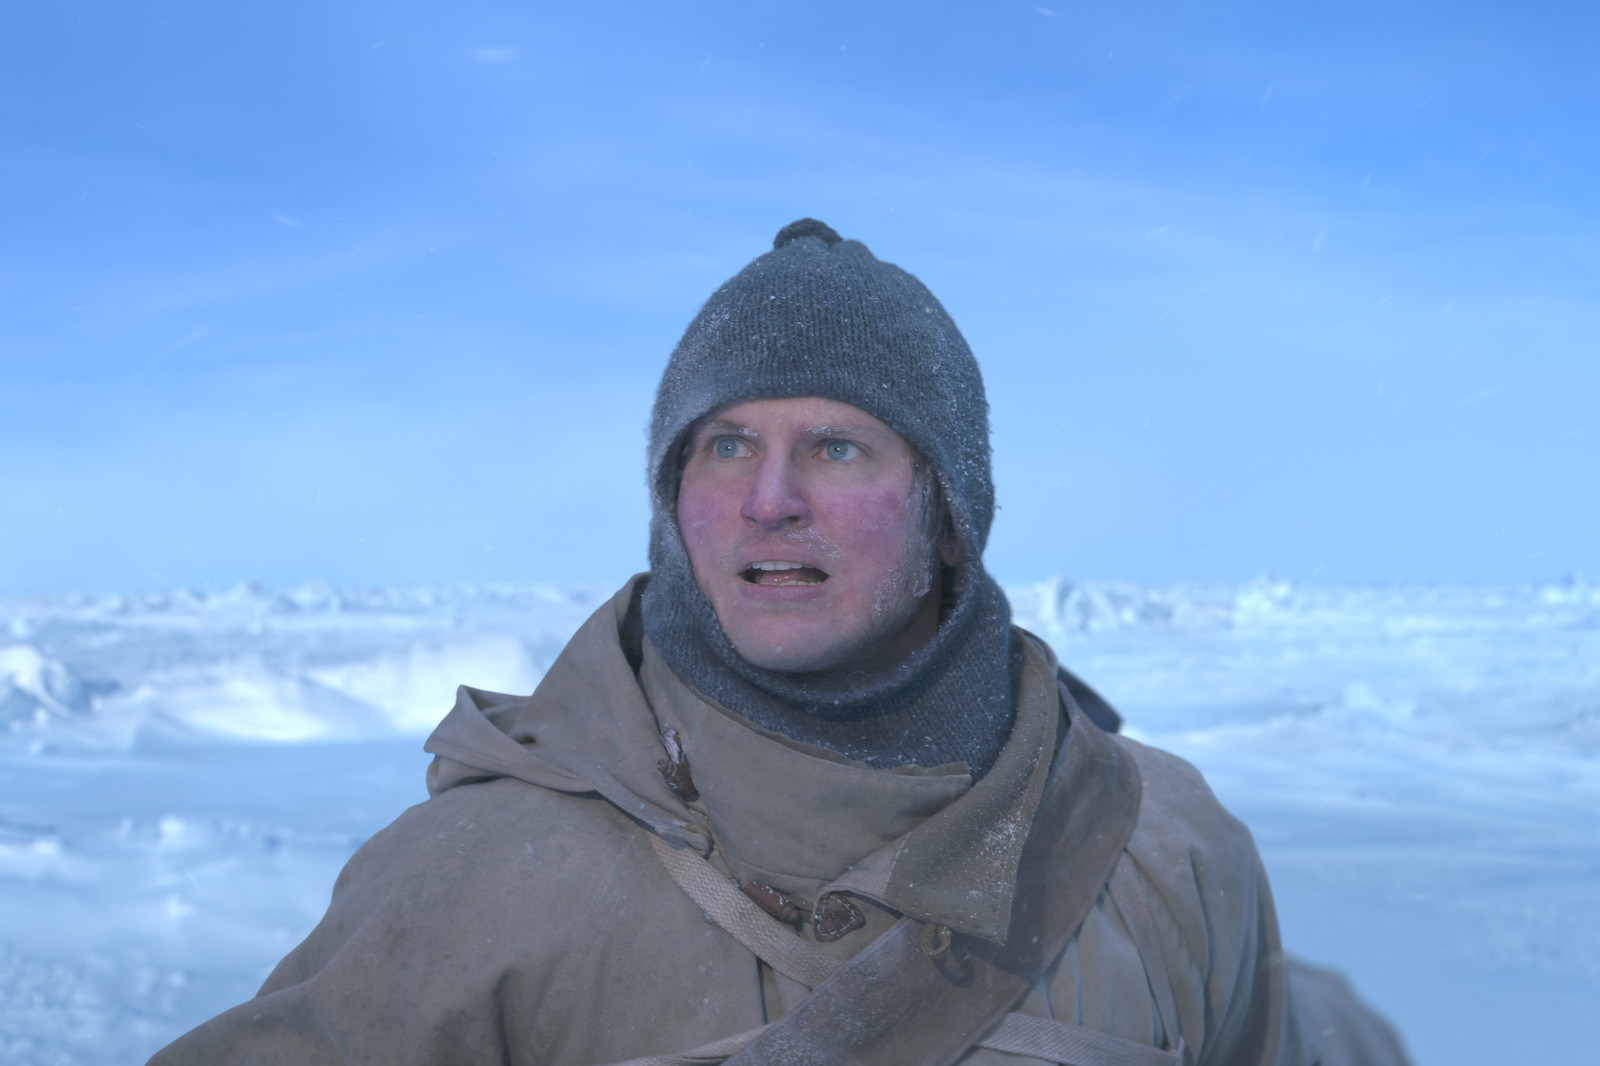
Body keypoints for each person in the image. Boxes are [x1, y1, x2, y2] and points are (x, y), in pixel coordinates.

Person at [150, 219, 1409, 1065]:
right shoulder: (480, 879)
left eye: (840, 445)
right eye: (727, 444)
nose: (770, 499)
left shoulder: (1163, 850)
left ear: (947, 506)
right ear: (672, 496)